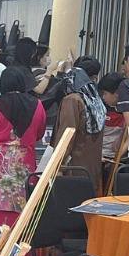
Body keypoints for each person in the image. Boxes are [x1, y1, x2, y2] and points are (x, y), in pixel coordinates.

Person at [0, 67, 48, 240]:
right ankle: (18, 250)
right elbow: (39, 134)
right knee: (21, 208)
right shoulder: (37, 105)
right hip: (23, 163)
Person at [48, 59, 106, 192]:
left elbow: (66, 136)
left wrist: (58, 165)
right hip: (91, 168)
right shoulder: (95, 99)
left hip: (73, 167)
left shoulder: (72, 100)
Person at [96, 71, 127, 170]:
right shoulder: (101, 108)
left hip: (118, 160)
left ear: (117, 93)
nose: (103, 97)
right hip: (101, 157)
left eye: (105, 93)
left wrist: (117, 158)